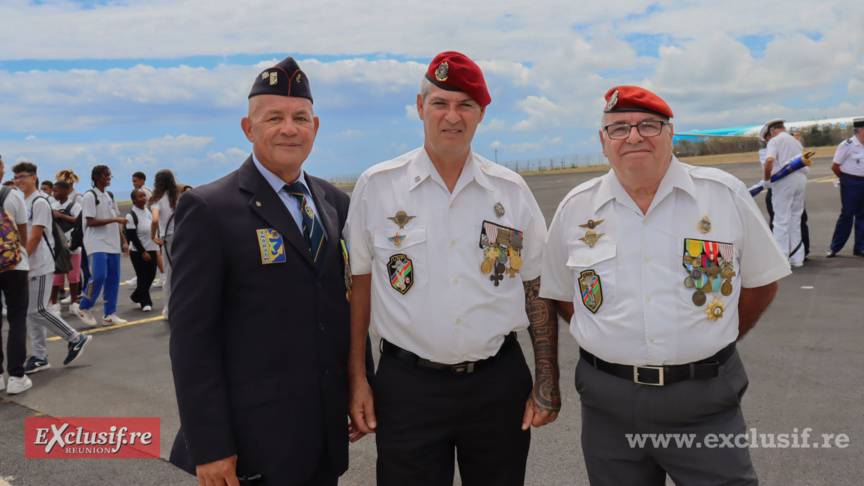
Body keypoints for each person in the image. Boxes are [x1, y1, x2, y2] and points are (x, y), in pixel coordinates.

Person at [540, 86, 791, 485]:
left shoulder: (721, 195)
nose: (634, 136)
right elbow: (563, 296)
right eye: (619, 128)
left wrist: (710, 338)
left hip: (704, 403)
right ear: (603, 142)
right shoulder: (576, 208)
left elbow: (761, 285)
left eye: (648, 125)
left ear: (671, 134)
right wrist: (609, 339)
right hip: (609, 408)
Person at [345, 51, 560, 486]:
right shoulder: (378, 187)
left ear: (481, 114)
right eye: (440, 102)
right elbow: (358, 290)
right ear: (420, 106)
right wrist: (357, 379)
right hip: (408, 388)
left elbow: (537, 285)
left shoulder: (510, 191)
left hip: (496, 383)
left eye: (465, 105)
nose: (452, 116)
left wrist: (547, 378)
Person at [169, 56, 365, 485]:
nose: (289, 128)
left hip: (323, 438)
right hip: (252, 443)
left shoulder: (335, 203)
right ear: (248, 127)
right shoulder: (209, 208)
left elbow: (342, 304)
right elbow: (191, 340)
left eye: (300, 117)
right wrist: (211, 445)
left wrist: (358, 384)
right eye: (273, 117)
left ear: (316, 126)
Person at [12, 162, 93, 375]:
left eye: (23, 177)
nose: (19, 181)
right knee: (32, 314)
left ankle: (76, 338)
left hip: (39, 264)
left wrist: (21, 261)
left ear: (34, 178)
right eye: (16, 177)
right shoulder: (23, 200)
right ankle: (39, 356)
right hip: (30, 264)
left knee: (37, 310)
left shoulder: (39, 201)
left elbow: (36, 236)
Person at [74, 165, 129, 326]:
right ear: (97, 176)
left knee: (113, 279)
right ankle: (83, 306)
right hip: (96, 243)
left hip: (112, 243)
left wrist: (123, 242)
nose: (109, 178)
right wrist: (116, 220)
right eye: (106, 175)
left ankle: (109, 314)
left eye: (110, 175)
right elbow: (90, 222)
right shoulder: (90, 196)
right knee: (99, 276)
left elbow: (114, 220)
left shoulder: (110, 195)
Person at [0, 156, 32, 394]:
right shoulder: (12, 196)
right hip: (14, 266)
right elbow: (22, 232)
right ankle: (16, 376)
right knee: (17, 319)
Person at [758, 127, 810, 260]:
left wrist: (766, 180)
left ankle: (786, 256)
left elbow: (771, 161)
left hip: (786, 183)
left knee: (787, 220)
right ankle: (792, 255)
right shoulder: (770, 149)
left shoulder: (781, 143)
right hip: (790, 181)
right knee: (789, 220)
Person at [826, 117, 864, 258]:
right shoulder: (847, 145)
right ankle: (835, 247)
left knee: (862, 215)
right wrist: (844, 179)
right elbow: (835, 166)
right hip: (851, 182)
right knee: (847, 215)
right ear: (861, 130)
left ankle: (860, 247)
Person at [48, 181, 83, 314]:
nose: (53, 193)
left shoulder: (75, 206)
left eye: (56, 191)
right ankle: (54, 303)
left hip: (72, 245)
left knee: (73, 277)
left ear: (65, 191)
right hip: (57, 246)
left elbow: (79, 220)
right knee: (56, 277)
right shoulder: (52, 206)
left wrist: (61, 216)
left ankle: (74, 303)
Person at [148, 169, 178, 320]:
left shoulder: (157, 200)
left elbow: (154, 220)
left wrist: (153, 236)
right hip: (181, 236)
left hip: (168, 238)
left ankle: (168, 309)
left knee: (168, 275)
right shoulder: (177, 198)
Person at [125, 189, 158, 311]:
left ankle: (136, 295)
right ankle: (146, 302)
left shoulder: (148, 211)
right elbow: (131, 236)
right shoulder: (131, 215)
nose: (144, 198)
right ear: (134, 199)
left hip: (152, 248)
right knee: (142, 276)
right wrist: (142, 251)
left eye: (144, 196)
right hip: (138, 251)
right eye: (140, 197)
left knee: (151, 275)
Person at [126, 171, 159, 287]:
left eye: (135, 181)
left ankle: (163, 274)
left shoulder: (145, 192)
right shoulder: (148, 190)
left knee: (154, 254)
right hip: (147, 225)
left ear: (142, 180)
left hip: (148, 224)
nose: (134, 184)